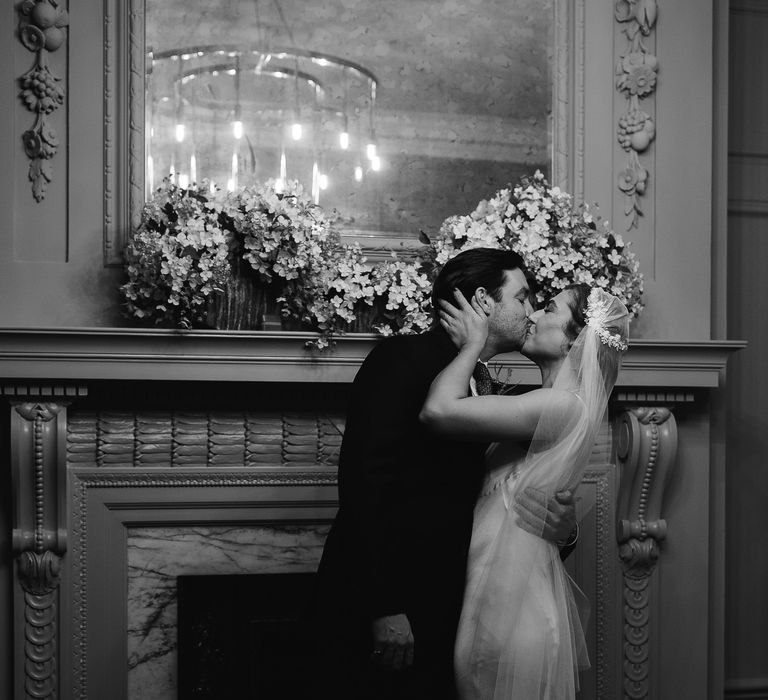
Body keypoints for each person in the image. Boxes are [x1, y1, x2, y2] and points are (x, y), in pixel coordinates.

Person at [313, 248, 578, 700]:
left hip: (448, 609)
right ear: (483, 300)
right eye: (523, 297)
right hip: (389, 609)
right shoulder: (401, 358)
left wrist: (565, 532)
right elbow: (365, 486)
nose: (531, 311)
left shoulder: (486, 385)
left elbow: (513, 490)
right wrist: (385, 608)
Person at [420, 282, 629, 699]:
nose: (532, 315)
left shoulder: (562, 406)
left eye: (548, 308)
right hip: (498, 590)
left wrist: (472, 346)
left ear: (575, 338)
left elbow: (438, 411)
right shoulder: (549, 401)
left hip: (513, 609)